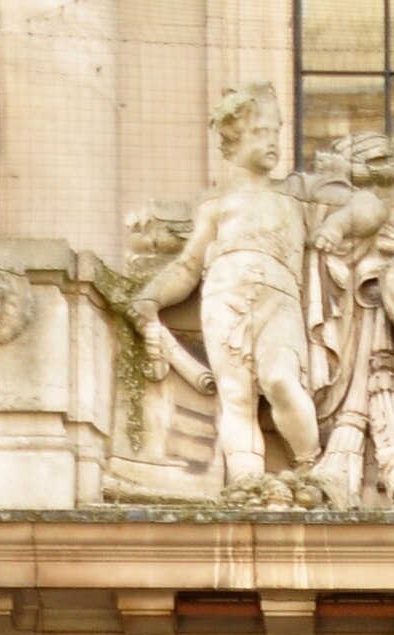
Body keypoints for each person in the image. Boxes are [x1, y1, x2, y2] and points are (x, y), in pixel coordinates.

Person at [132, 82, 319, 488]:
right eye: (260, 132)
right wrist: (150, 296)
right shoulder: (215, 203)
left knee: (282, 380)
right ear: (232, 140)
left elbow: (364, 209)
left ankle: (310, 468)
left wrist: (341, 227)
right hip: (225, 299)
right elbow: (186, 266)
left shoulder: (296, 195)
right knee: (237, 395)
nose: (272, 142)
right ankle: (248, 483)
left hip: (280, 299)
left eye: (276, 132)